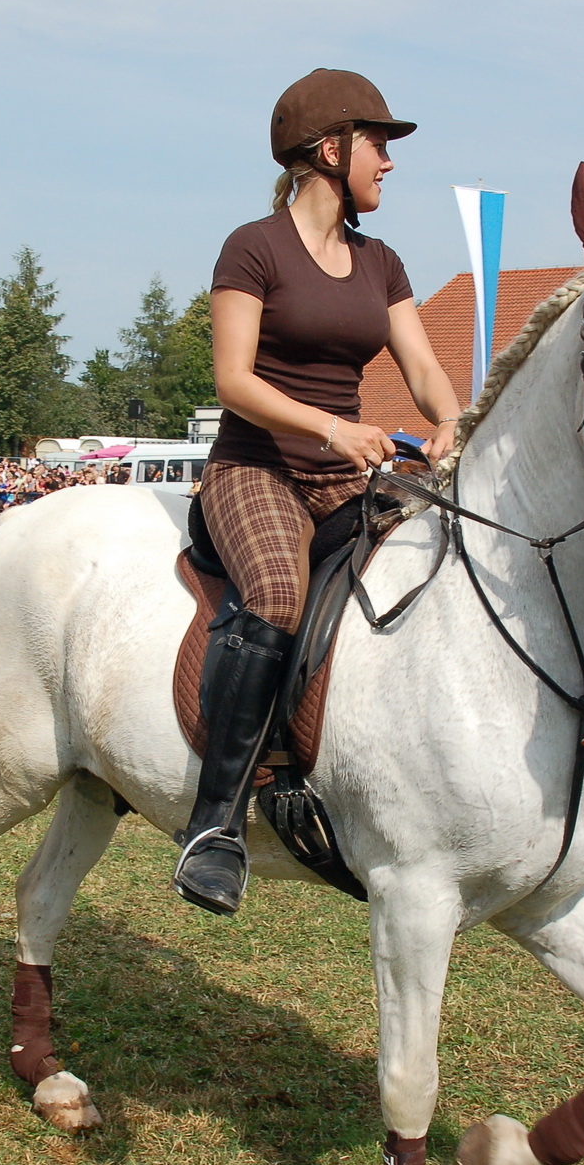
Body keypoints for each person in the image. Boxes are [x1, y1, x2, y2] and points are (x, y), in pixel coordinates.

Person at [173, 68, 462, 916]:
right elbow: (232, 380)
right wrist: (333, 427)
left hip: (346, 478)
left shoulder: (383, 261)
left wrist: (448, 419)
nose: (389, 162)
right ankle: (214, 825)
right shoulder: (252, 247)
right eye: (378, 143)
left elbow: (419, 367)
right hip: (254, 467)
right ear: (329, 149)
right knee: (272, 591)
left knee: (437, 557)